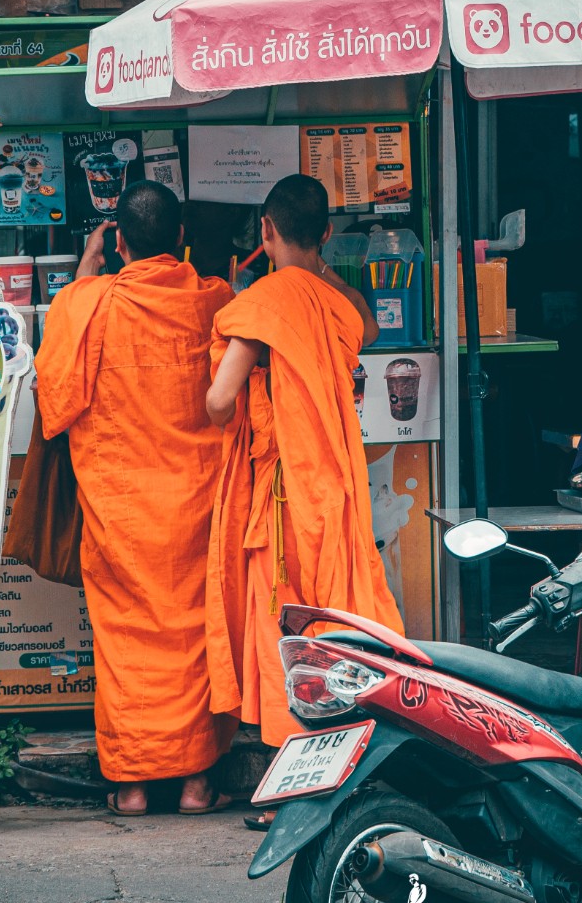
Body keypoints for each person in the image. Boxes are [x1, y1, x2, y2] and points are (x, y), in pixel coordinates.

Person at [203, 176, 405, 818]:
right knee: (337, 619)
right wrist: (318, 265)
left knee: (284, 630)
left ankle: (295, 783)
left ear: (265, 231)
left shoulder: (263, 302)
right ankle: (344, 764)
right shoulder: (332, 303)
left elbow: (217, 399)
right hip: (335, 493)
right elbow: (366, 325)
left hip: (286, 499)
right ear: (324, 233)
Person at [35, 181, 237, 816]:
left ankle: (132, 786)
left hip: (120, 510)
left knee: (125, 644)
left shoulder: (84, 304)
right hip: (196, 507)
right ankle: (198, 784)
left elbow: (52, 403)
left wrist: (85, 271)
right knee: (194, 637)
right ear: (180, 240)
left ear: (118, 241)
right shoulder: (214, 298)